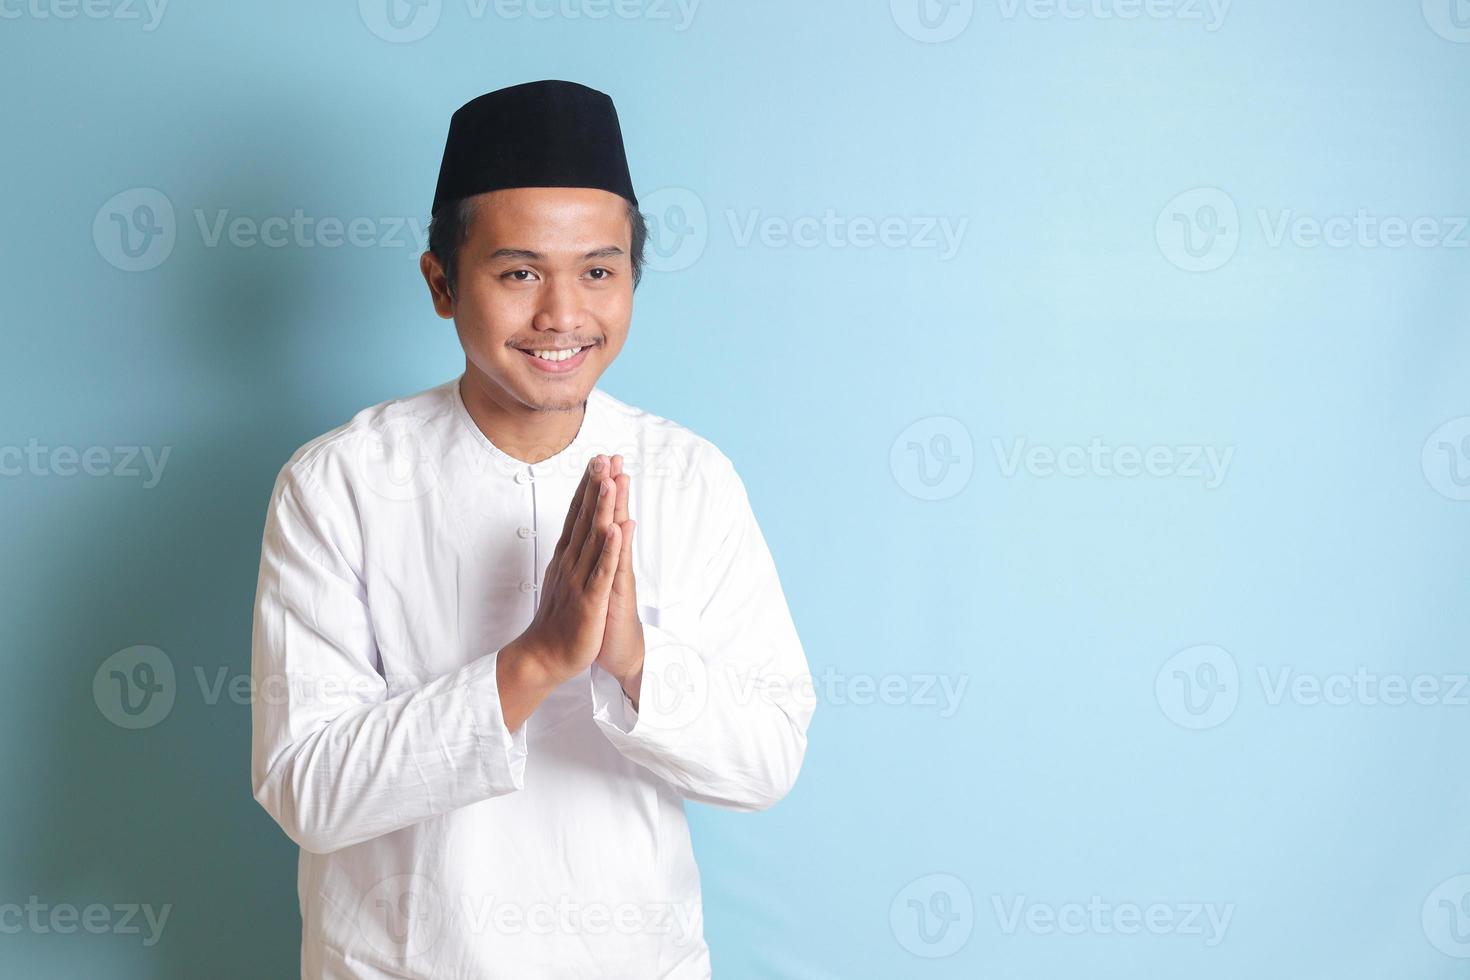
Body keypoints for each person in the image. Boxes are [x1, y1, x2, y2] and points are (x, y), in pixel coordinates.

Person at [248, 79, 816, 979]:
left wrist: (633, 659)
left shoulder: (690, 478)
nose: (562, 314)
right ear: (441, 282)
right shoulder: (339, 483)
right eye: (519, 272)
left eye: (599, 270)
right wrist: (533, 663)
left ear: (633, 278)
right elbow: (306, 786)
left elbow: (767, 761)